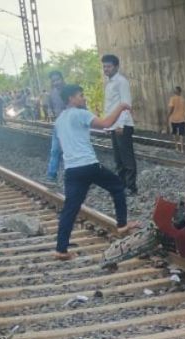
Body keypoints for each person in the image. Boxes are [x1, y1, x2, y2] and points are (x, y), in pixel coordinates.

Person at [53, 83, 138, 261]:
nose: (84, 98)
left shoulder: (59, 120)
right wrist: (121, 107)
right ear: (71, 98)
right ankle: (122, 224)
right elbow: (106, 123)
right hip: (89, 165)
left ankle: (61, 250)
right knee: (117, 186)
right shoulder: (80, 113)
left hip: (72, 170)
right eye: (80, 95)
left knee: (70, 209)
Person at [101, 54, 138, 196]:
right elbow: (110, 106)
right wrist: (107, 125)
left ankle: (131, 187)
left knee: (127, 158)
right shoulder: (109, 83)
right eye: (104, 67)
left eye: (109, 66)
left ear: (116, 67)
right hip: (113, 125)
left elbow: (125, 104)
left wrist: (120, 125)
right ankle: (121, 185)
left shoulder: (121, 82)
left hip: (122, 125)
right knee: (118, 158)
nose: (106, 69)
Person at [45, 71, 67, 184]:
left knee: (70, 151)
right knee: (55, 150)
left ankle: (77, 177)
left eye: (57, 79)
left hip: (70, 126)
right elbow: (49, 107)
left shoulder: (69, 91)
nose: (56, 82)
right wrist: (50, 112)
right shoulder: (51, 93)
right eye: (53, 81)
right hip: (58, 126)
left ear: (62, 79)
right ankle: (51, 176)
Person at [167, 86, 185, 153]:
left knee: (174, 133)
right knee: (181, 134)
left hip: (174, 119)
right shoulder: (183, 100)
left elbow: (171, 109)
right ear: (180, 92)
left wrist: (168, 116)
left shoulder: (172, 99)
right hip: (182, 119)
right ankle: (182, 149)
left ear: (175, 92)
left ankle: (176, 147)